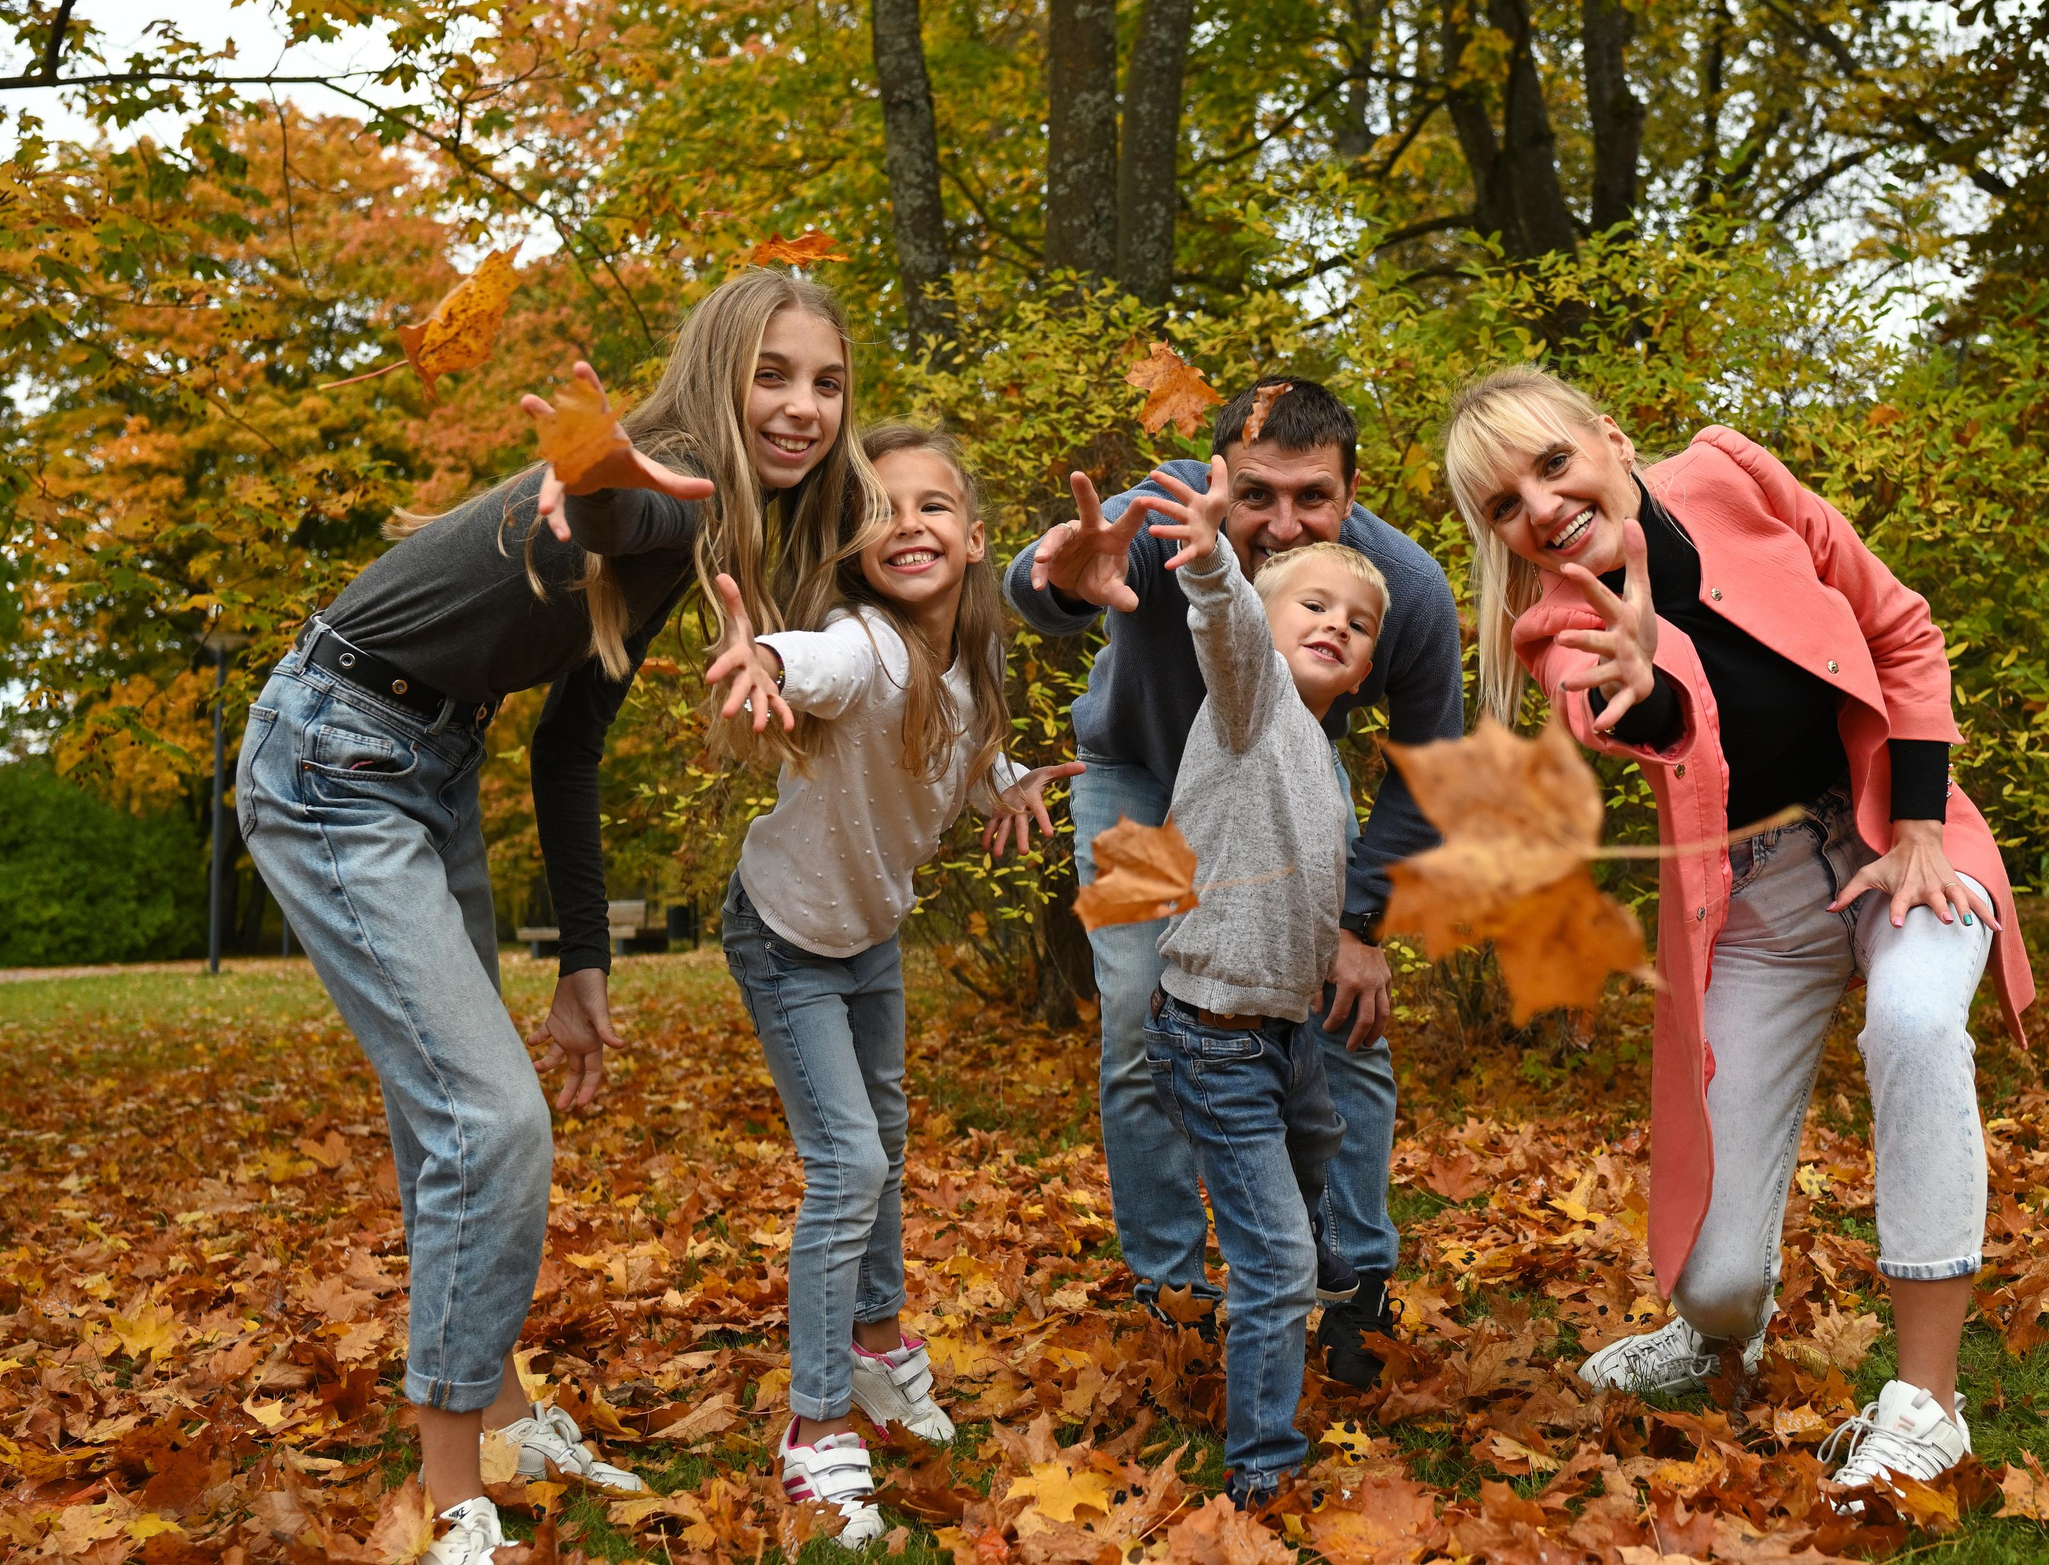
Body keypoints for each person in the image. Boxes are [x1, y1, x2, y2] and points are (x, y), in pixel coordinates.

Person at [237, 270, 880, 1565]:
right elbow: (613, 502)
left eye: (825, 382)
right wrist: (589, 483)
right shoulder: (669, 484)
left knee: (448, 1129)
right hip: (331, 754)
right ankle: (448, 1491)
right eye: (773, 374)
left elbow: (569, 747)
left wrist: (584, 961)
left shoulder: (695, 537)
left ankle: (505, 1418)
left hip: (427, 761)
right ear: (715, 376)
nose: (802, 407)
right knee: (489, 1120)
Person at [1440, 366, 2037, 1502]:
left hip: (1894, 834)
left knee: (1913, 1024)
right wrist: (1648, 677)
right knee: (1713, 1285)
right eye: (1504, 504)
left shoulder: (1732, 473)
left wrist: (1917, 824)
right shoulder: (1555, 625)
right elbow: (1652, 719)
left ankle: (1928, 1407)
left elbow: (1900, 630)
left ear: (1610, 438)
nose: (1542, 504)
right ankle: (1717, 1332)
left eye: (1552, 463)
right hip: (1758, 900)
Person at [1004, 380, 1463, 1384]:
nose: (1283, 522)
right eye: (1257, 495)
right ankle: (1173, 1291)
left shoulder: (1403, 588)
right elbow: (1042, 584)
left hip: (1284, 793)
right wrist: (1064, 584)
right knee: (1138, 1024)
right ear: (1215, 478)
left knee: (1340, 1022)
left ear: (1351, 494)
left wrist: (1359, 922)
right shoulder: (1170, 515)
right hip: (1143, 796)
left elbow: (1433, 772)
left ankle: (1355, 1280)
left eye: (1312, 497)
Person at [701, 425, 1080, 1542]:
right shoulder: (860, 642)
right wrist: (765, 660)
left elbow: (954, 751)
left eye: (931, 506)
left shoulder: (968, 662)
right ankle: (816, 1431)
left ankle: (874, 1351)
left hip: (868, 934)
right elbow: (812, 663)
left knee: (889, 1138)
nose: (906, 522)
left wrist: (1004, 784)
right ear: (855, 548)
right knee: (847, 1162)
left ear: (971, 538)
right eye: (880, 508)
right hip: (786, 936)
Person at [1126, 455, 1380, 1503]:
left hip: (1283, 1032)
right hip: (1213, 1037)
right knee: (1273, 1263)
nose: (1334, 625)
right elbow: (1231, 632)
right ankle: (1262, 1471)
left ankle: (1317, 1248)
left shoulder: (1324, 763)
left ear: (1366, 666)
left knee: (1321, 1141)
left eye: (1355, 623)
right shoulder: (1253, 707)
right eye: (1312, 606)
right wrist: (1215, 566)